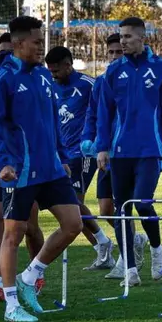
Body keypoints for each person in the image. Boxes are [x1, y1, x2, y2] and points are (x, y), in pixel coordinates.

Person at [0, 16, 83, 322]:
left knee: (73, 224)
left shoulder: (42, 75)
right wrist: (3, 163)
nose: (42, 47)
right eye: (37, 42)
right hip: (20, 171)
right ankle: (11, 306)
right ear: (18, 43)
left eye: (43, 41)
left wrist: (63, 156)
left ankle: (29, 278)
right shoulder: (3, 80)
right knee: (13, 234)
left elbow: (52, 122)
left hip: (51, 168)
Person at [95, 16, 162, 287]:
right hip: (119, 152)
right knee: (122, 210)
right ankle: (130, 269)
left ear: (143, 37)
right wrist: (102, 147)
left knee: (142, 203)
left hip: (150, 150)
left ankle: (156, 249)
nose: (123, 41)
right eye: (121, 36)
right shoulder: (113, 71)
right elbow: (104, 113)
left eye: (128, 36)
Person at [0, 37, 47, 302]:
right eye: (1, 53)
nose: (5, 58)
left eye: (9, 52)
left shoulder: (34, 80)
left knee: (28, 225)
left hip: (25, 164)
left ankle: (35, 274)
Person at [45, 46, 115, 270]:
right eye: (50, 71)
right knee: (71, 206)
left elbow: (104, 111)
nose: (53, 75)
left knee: (73, 202)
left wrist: (99, 143)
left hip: (84, 152)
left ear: (68, 65)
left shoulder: (88, 84)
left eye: (56, 71)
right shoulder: (49, 86)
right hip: (61, 155)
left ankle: (105, 243)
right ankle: (102, 246)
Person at [83, 33, 142, 280]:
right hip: (106, 152)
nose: (116, 56)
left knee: (123, 206)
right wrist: (89, 140)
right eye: (112, 52)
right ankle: (135, 240)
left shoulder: (137, 79)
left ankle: (126, 261)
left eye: (120, 51)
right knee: (106, 208)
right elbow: (93, 114)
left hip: (129, 153)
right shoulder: (102, 80)